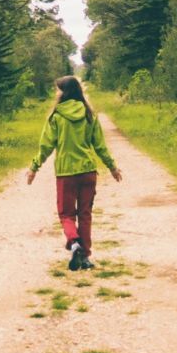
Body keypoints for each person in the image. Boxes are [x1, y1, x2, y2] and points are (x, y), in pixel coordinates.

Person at [26, 75, 122, 270]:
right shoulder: (89, 114)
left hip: (66, 174)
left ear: (63, 92)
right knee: (85, 214)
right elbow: (100, 146)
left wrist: (34, 168)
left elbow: (46, 146)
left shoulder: (57, 117)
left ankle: (75, 242)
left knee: (66, 214)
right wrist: (112, 167)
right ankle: (85, 257)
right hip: (88, 172)